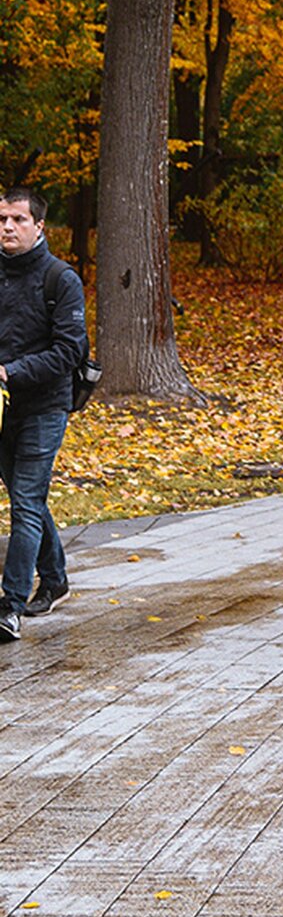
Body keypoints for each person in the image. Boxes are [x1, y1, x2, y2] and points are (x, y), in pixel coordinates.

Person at [0, 187, 88, 641]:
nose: (8, 227)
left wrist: (9, 371)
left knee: (26, 503)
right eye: (2, 219)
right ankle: (54, 579)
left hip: (44, 407)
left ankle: (9, 604)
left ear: (38, 227)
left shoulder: (61, 279)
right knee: (25, 497)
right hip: (2, 410)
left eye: (17, 219)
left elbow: (69, 351)